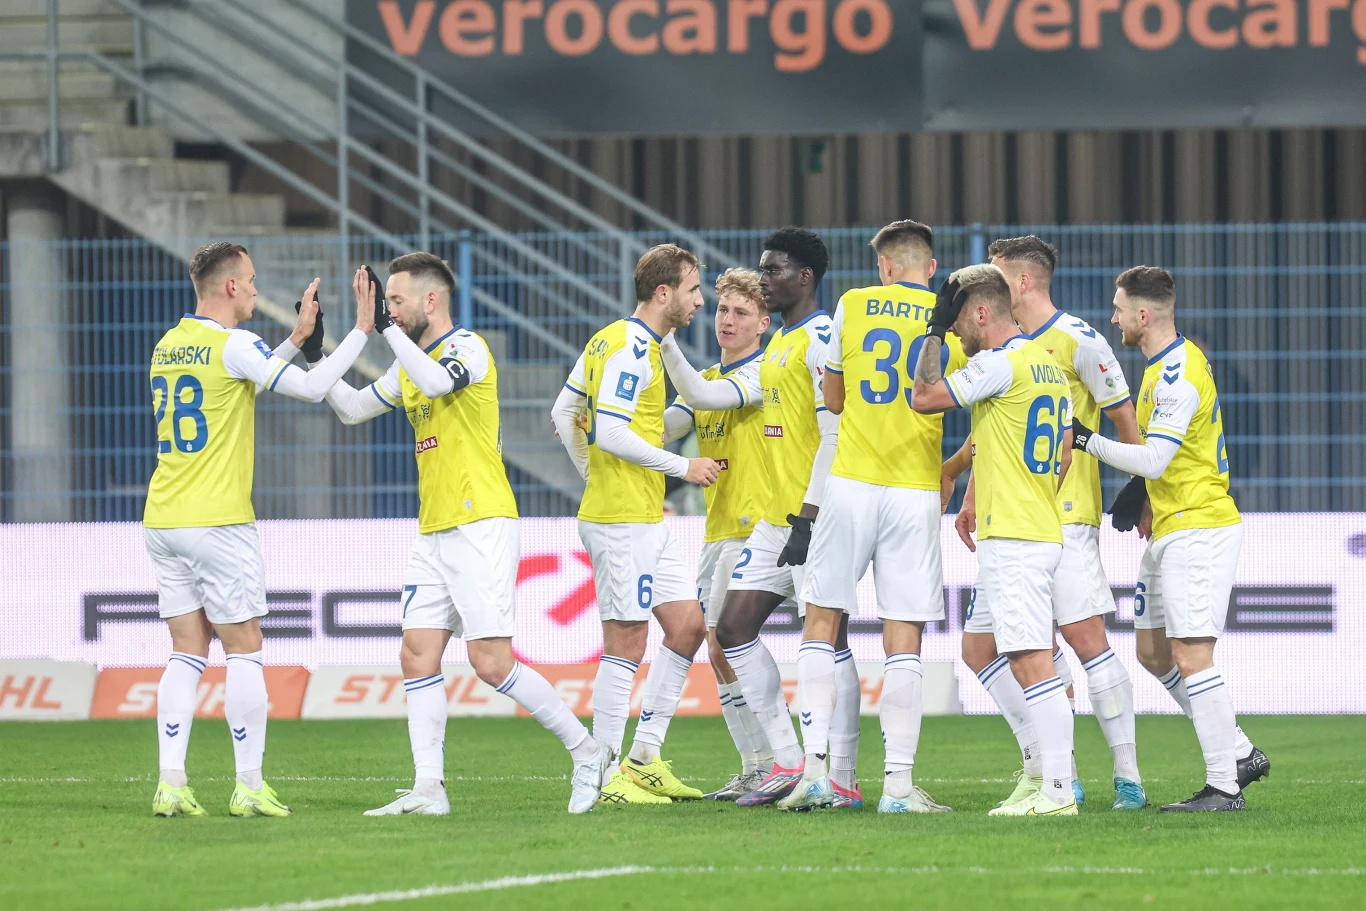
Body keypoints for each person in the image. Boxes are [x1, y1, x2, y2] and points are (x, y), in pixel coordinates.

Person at [294, 253, 606, 816]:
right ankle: (429, 789)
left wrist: (384, 331)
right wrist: (317, 351)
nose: (389, 310)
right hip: (434, 529)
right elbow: (352, 409)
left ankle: (587, 752)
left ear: (430, 301)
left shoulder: (467, 348)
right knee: (417, 654)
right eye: (387, 302)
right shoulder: (409, 363)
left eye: (396, 301)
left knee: (491, 663)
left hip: (481, 522)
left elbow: (438, 380)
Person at [145, 242, 372, 818]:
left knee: (186, 652)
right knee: (244, 649)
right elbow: (311, 390)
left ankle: (171, 783)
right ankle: (248, 785)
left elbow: (239, 376)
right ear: (229, 286)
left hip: (164, 518)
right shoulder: (236, 344)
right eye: (249, 280)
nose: (254, 289)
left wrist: (295, 339)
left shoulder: (169, 345)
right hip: (218, 520)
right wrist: (361, 332)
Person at [944, 235, 1148, 811]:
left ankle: (1126, 776)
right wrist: (971, 490)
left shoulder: (1080, 340)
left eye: (996, 273)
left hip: (1065, 517)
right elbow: (993, 426)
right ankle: (1050, 768)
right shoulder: (999, 347)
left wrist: (1140, 487)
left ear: (1023, 281)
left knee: (1083, 642)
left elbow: (1122, 415)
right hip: (1011, 515)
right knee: (981, 649)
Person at [778, 220, 964, 814]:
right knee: (903, 636)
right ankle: (899, 788)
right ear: (930, 268)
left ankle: (814, 772)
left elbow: (832, 400)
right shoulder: (946, 318)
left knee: (820, 621)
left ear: (884, 266)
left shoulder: (853, 305)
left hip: (850, 483)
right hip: (913, 488)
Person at [1071, 265, 1266, 811]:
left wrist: (1085, 441)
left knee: (1191, 653)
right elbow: (1163, 459)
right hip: (1172, 525)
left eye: (1118, 309)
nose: (1113, 318)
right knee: (1155, 653)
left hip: (1199, 526)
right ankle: (1240, 751)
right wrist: (1142, 493)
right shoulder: (1161, 366)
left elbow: (1156, 458)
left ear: (1144, 313)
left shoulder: (1178, 374)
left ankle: (1224, 786)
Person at [551, 244, 719, 805]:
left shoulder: (610, 339)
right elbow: (612, 432)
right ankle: (601, 775)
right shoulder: (631, 349)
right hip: (621, 518)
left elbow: (562, 414)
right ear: (663, 293)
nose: (700, 301)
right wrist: (683, 467)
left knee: (688, 626)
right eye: (693, 290)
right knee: (627, 641)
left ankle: (643, 759)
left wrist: (590, 473)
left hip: (641, 515)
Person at [912, 263, 1080, 817]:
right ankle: (1036, 768)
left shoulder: (997, 363)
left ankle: (1059, 790)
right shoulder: (1045, 364)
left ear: (981, 313)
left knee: (1031, 660)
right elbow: (1061, 453)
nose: (956, 330)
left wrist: (932, 332)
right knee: (979, 649)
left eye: (959, 317)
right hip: (1031, 526)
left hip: (1015, 537)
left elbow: (924, 397)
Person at [708, 228, 854, 808]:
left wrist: (809, 517)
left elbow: (834, 435)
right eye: (762, 268)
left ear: (805, 277)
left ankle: (841, 778)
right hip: (775, 518)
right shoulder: (780, 344)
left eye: (773, 270)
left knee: (831, 641)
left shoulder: (821, 339)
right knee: (732, 629)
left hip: (816, 517)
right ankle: (789, 763)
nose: (763, 278)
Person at [656, 268, 775, 800]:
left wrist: (663, 337)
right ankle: (758, 763)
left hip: (760, 529)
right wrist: (601, 421)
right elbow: (666, 427)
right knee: (718, 648)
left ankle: (783, 761)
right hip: (719, 529)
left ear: (763, 324)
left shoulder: (764, 374)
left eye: (741, 313)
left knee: (735, 642)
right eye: (723, 309)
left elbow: (702, 396)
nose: (728, 320)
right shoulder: (704, 378)